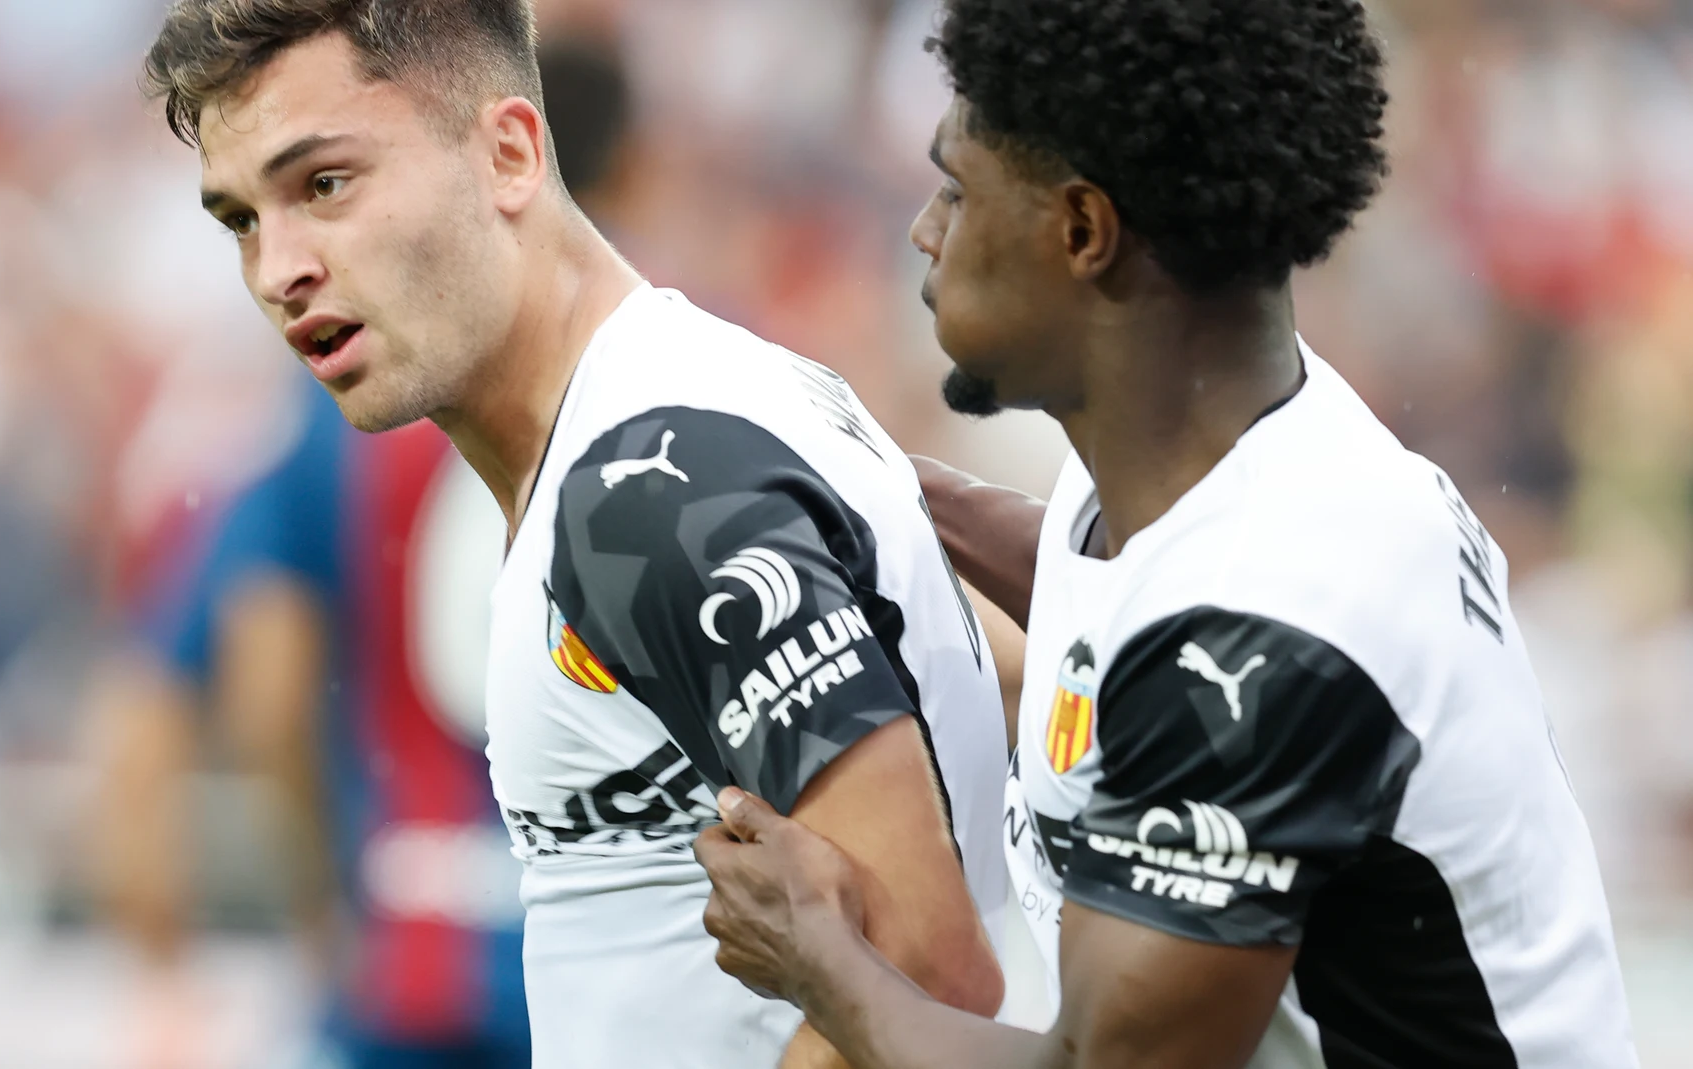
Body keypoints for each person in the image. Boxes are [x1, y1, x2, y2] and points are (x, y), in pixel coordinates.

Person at [691, 2, 1640, 1067]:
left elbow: (1106, 1063)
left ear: (1083, 231)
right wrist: (870, 481)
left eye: (957, 189)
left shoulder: (1271, 629)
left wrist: (816, 953)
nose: (924, 228)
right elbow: (1123, 589)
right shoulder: (1238, 438)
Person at [143, 2, 1013, 1067]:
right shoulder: (679, 415)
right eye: (240, 220)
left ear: (508, 152)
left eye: (325, 184)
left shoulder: (652, 486)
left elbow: (928, 971)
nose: (279, 269)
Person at [90, 386, 531, 1069]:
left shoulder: (331, 430)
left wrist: (308, 905)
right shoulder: (623, 380)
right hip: (582, 950)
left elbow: (258, 699)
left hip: (404, 946)